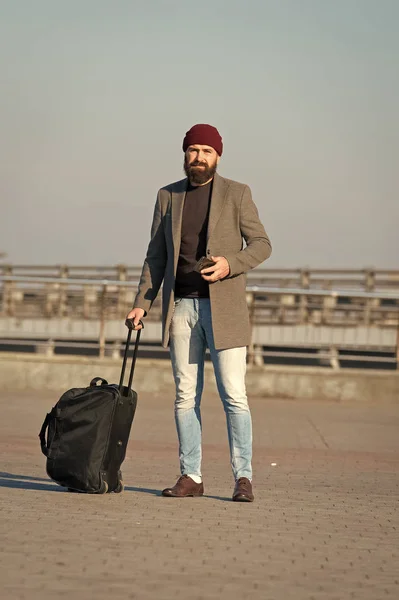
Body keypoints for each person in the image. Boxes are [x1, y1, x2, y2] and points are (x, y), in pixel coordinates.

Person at [126, 124, 272, 502]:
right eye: (193, 150)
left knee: (234, 396)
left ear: (217, 156)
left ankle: (243, 478)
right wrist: (142, 303)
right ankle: (191, 475)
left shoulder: (237, 194)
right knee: (185, 396)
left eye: (206, 151)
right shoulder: (168, 196)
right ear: (184, 154)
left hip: (225, 310)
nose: (199, 157)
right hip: (182, 309)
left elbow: (262, 244)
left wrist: (230, 263)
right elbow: (155, 256)